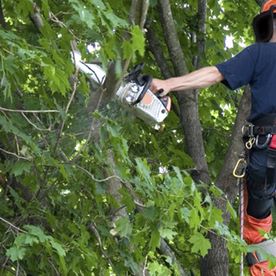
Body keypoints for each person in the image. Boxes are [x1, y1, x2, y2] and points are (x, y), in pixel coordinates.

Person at [150, 1, 276, 275]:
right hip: (269, 153)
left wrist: (168, 84)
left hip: (268, 155)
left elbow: (214, 73)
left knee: (257, 234)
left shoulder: (261, 54)